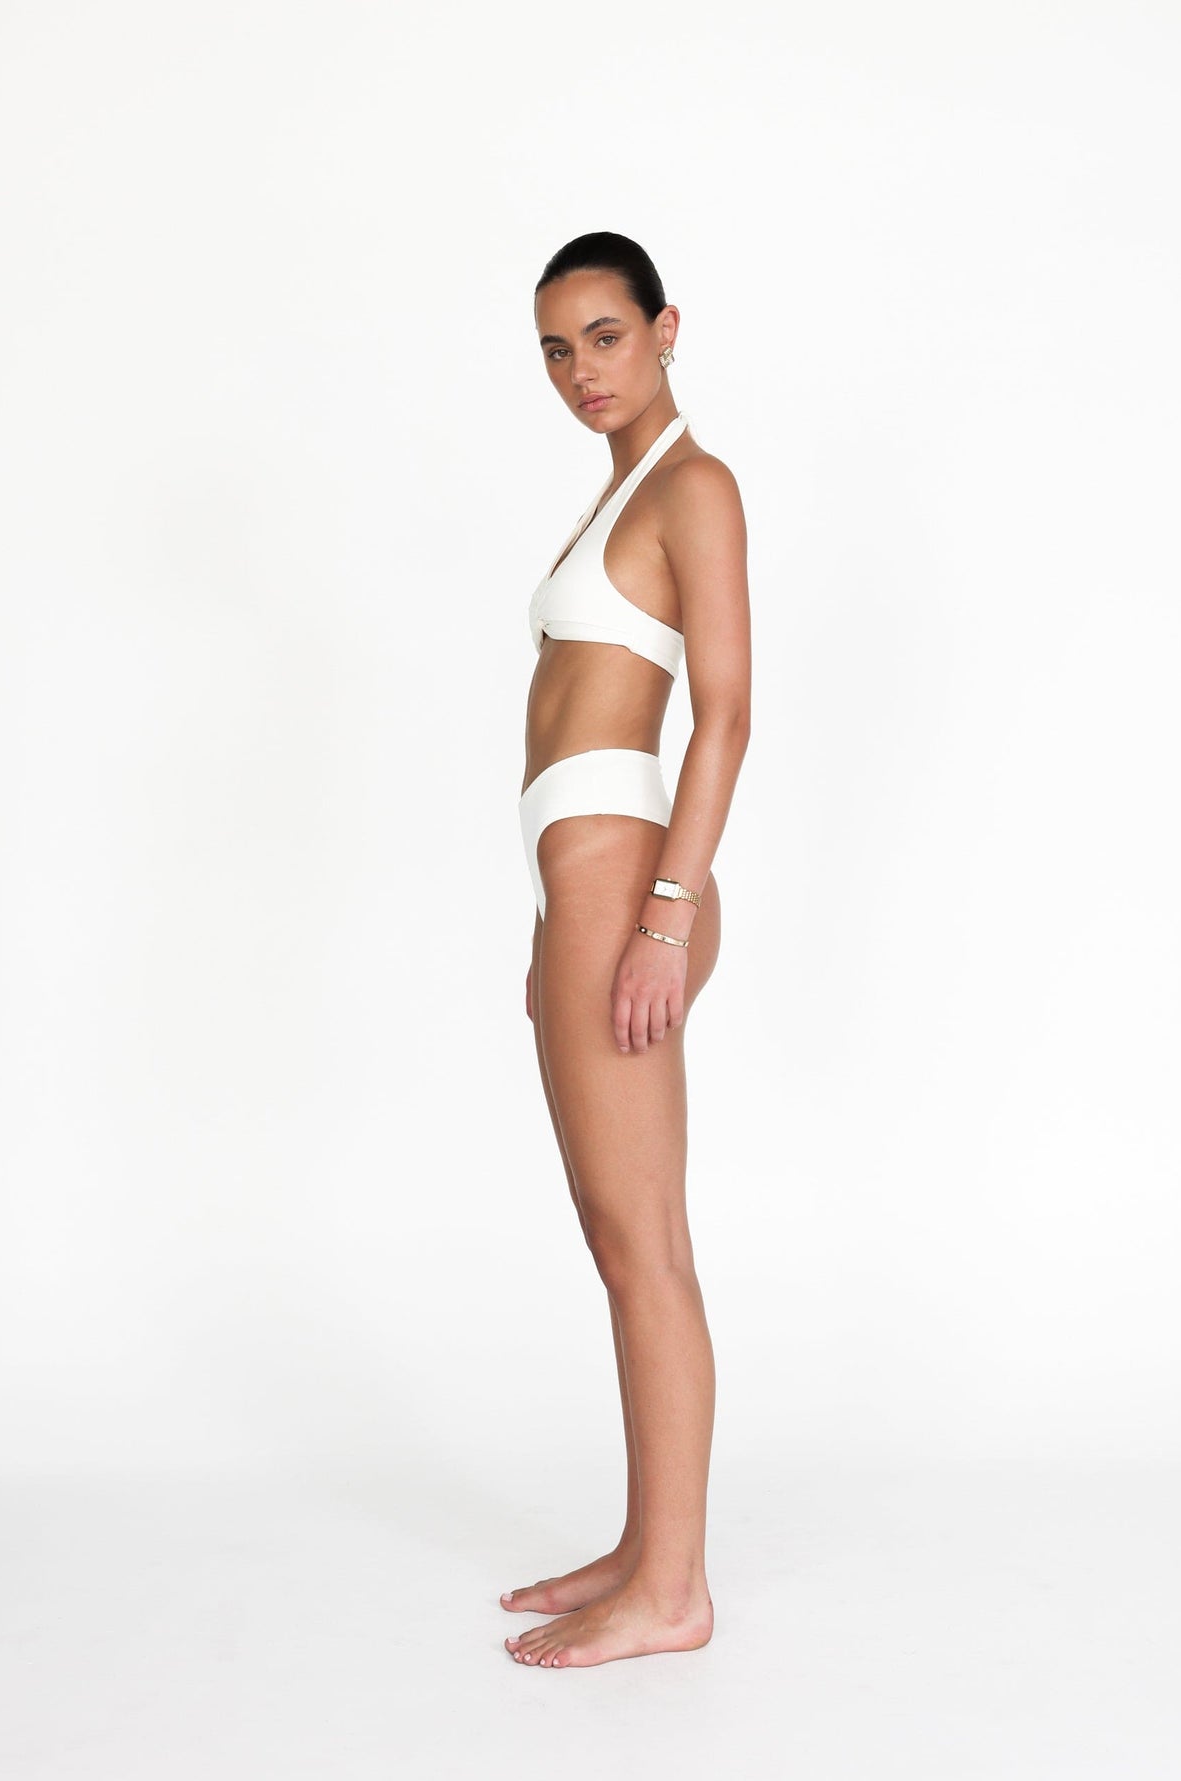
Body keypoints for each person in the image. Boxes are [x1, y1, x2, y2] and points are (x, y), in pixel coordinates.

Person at [501, 232, 751, 1668]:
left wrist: (664, 915)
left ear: (664, 328)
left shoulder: (694, 486)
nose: (580, 370)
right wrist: (554, 933)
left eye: (603, 336)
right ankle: (648, 1543)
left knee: (644, 1241)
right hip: (582, 896)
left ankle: (674, 1592)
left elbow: (727, 712)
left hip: (629, 886)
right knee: (616, 1236)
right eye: (556, 348)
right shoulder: (620, 491)